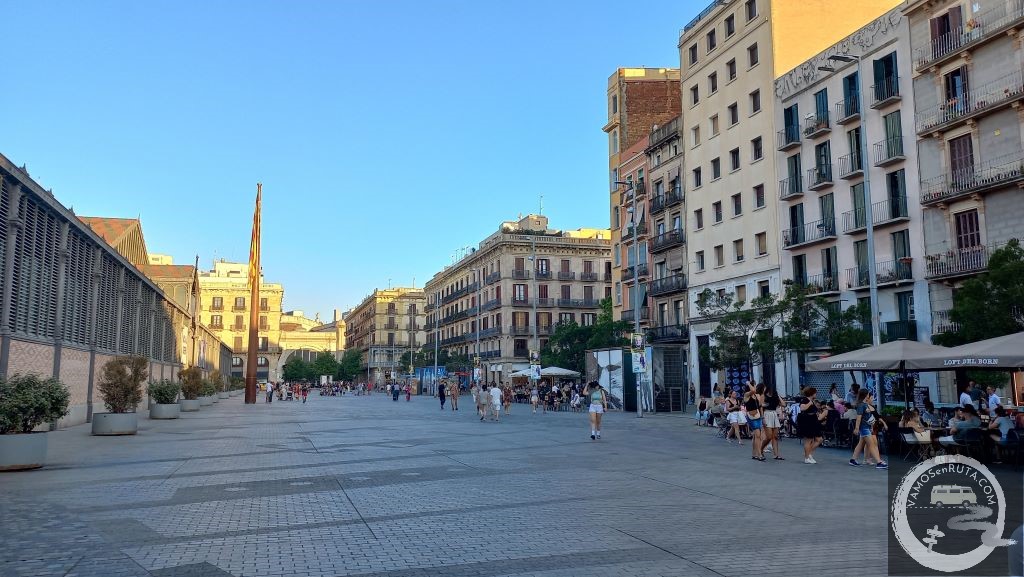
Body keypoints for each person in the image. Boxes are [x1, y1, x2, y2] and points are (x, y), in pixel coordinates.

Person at [849, 389, 886, 469]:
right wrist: (857, 428)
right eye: (868, 395)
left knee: (861, 444)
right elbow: (859, 418)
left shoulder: (863, 404)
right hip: (864, 427)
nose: (869, 396)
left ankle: (853, 459)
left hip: (866, 427)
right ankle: (879, 462)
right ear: (866, 395)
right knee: (871, 445)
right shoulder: (861, 405)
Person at [796, 387, 823, 464]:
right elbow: (802, 408)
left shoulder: (812, 401)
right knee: (808, 440)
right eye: (815, 393)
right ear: (811, 393)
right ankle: (807, 457)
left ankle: (809, 453)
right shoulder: (805, 400)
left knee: (819, 439)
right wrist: (809, 403)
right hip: (807, 421)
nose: (816, 394)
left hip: (813, 420)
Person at [761, 386, 784, 460]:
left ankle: (776, 454)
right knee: (769, 436)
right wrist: (762, 418)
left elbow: (783, 404)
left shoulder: (775, 397)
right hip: (767, 414)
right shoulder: (764, 396)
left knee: (775, 436)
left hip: (774, 414)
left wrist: (779, 396)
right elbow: (761, 406)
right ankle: (761, 449)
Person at [745, 384, 766, 462]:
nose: (754, 387)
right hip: (751, 417)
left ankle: (754, 454)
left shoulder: (757, 395)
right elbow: (753, 390)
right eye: (753, 385)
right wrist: (748, 383)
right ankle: (759, 454)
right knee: (757, 435)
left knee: (756, 436)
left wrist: (762, 417)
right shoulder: (746, 395)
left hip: (757, 416)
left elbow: (760, 406)